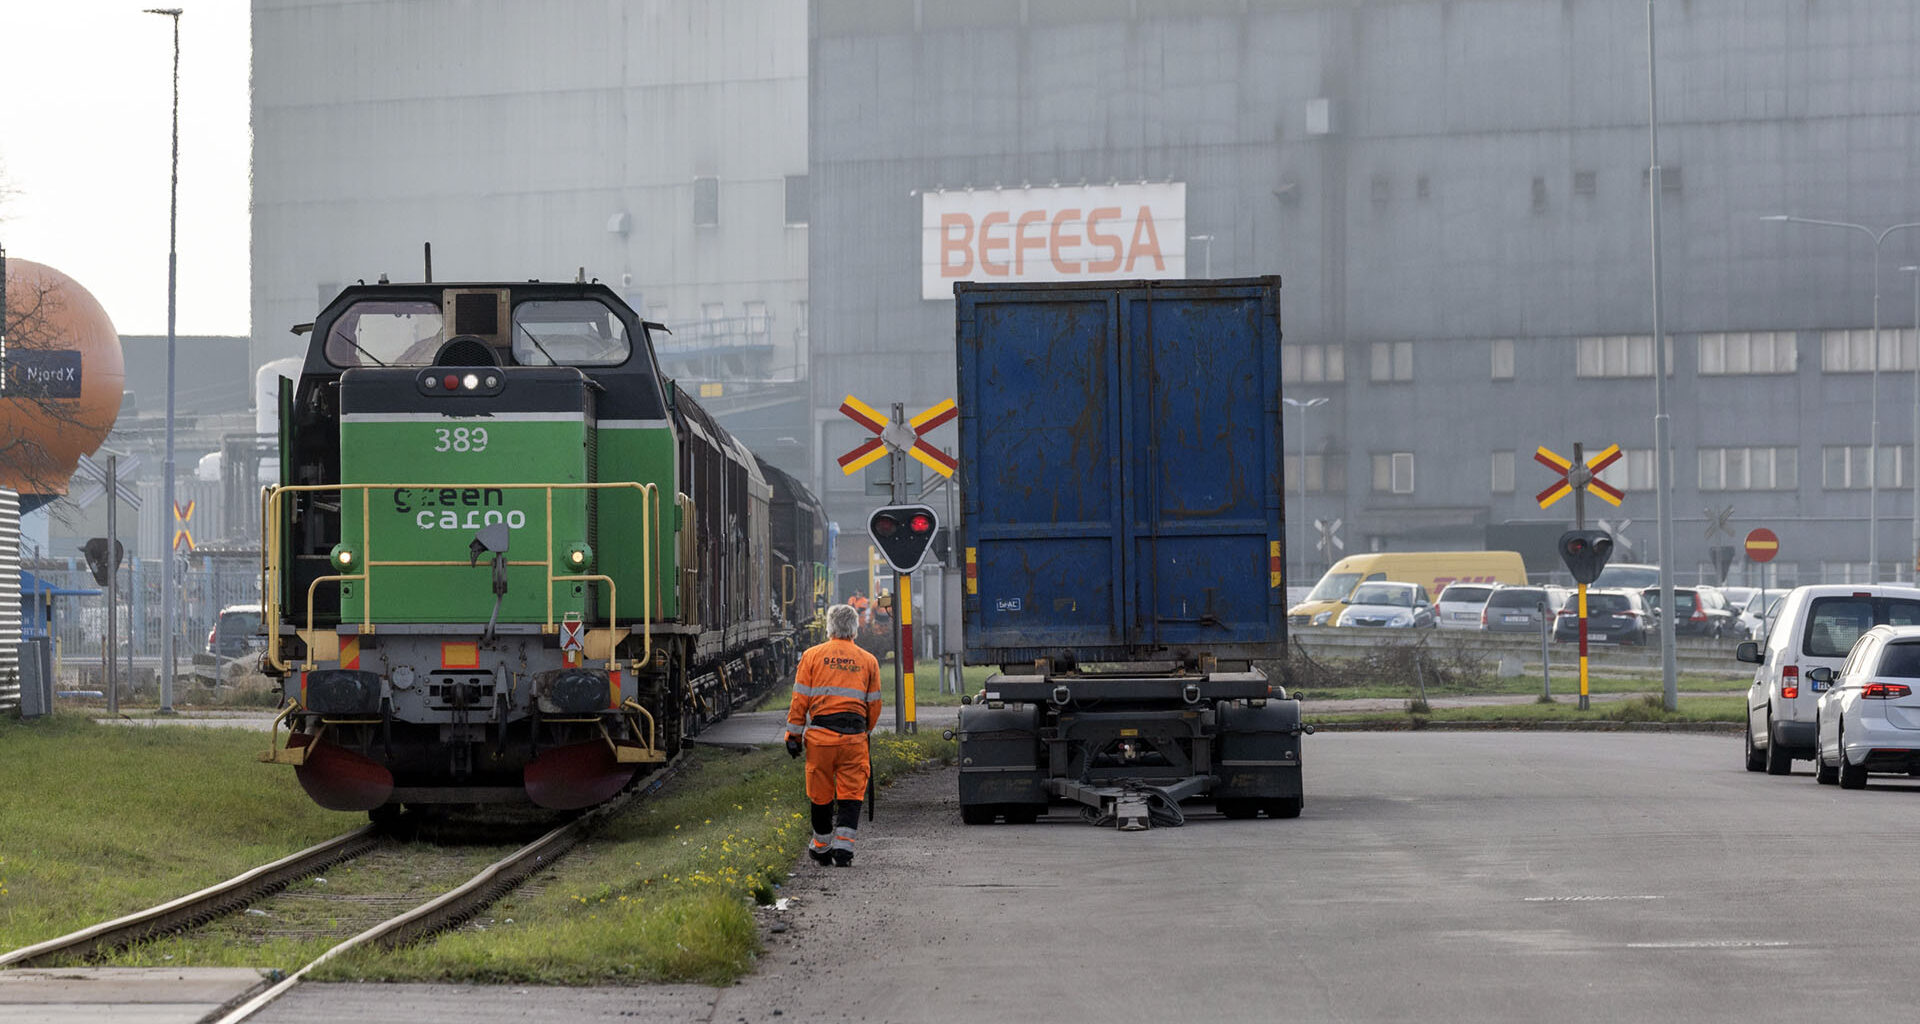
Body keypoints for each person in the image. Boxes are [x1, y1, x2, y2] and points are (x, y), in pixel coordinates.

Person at [786, 603, 883, 866]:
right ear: (855, 629)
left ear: (829, 628)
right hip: (854, 739)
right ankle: (843, 850)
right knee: (851, 795)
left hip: (821, 740)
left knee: (820, 796)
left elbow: (799, 700)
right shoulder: (868, 660)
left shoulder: (812, 656)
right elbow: (874, 705)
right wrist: (864, 731)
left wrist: (793, 736)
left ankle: (821, 847)